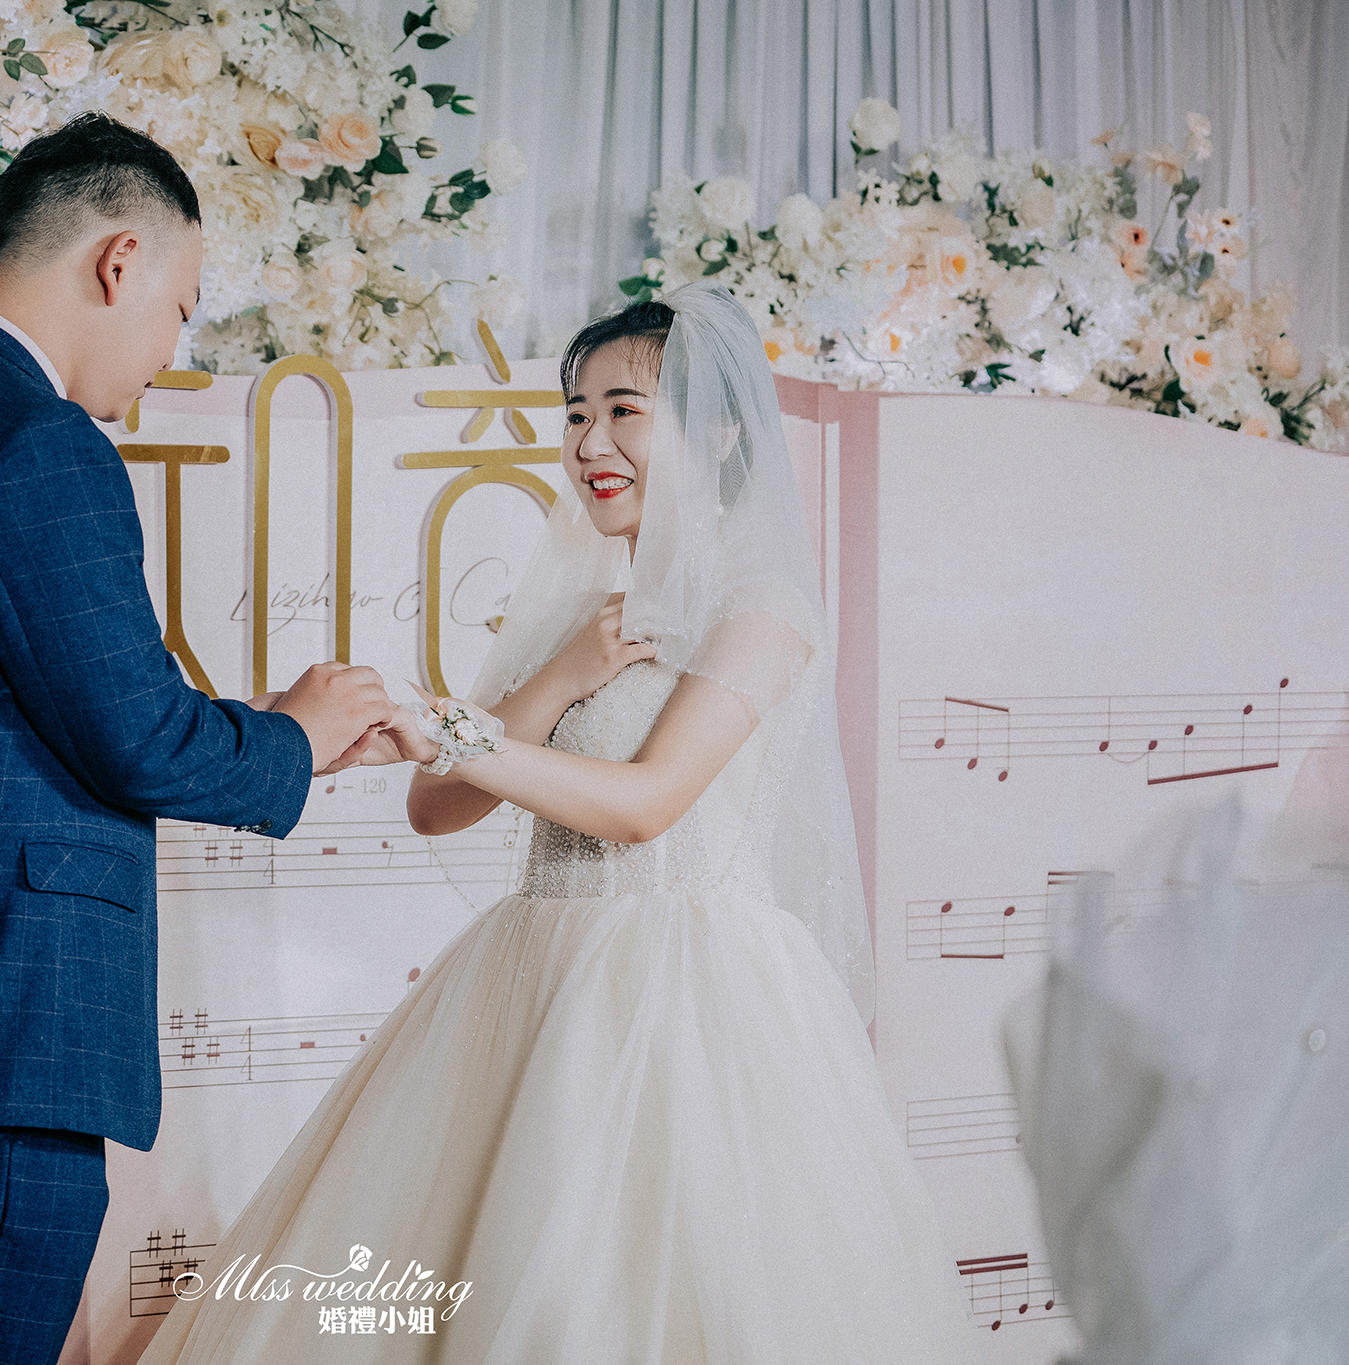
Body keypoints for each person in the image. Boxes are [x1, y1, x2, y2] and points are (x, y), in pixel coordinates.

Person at [140, 286, 980, 1363]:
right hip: (533, 972)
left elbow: (644, 805)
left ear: (721, 431)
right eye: (576, 414)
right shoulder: (583, 614)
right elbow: (438, 805)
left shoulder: (760, 609)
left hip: (690, 990)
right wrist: (559, 675)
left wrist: (441, 723)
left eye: (625, 412)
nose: (589, 444)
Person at [0, 114, 423, 1365]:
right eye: (179, 310)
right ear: (118, 262)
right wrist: (297, 736)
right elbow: (137, 737)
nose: (169, 353)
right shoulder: (36, 440)